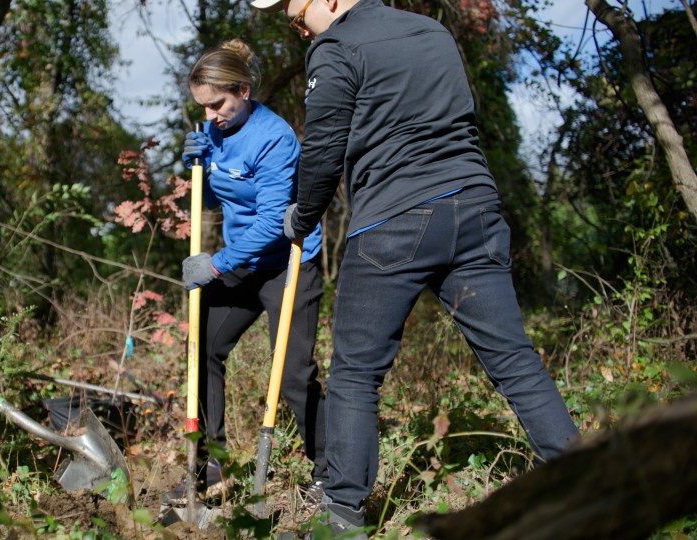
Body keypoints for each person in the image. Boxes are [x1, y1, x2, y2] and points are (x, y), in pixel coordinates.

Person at [249, 0, 581, 535]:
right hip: (474, 208)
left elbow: (325, 147)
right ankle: (584, 483)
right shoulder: (431, 31)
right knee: (516, 360)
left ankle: (342, 517)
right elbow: (458, 114)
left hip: (395, 222)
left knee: (356, 374)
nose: (298, 28)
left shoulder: (335, 46)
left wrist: (303, 214)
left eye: (296, 14)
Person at [174, 39, 328, 504]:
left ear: (243, 90)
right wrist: (197, 168)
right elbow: (225, 200)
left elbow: (269, 223)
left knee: (296, 374)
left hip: (287, 262)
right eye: (202, 107)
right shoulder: (214, 131)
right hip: (244, 260)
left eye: (218, 105)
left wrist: (216, 263)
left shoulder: (275, 137)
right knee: (203, 347)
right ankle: (211, 466)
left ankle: (328, 474)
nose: (210, 116)